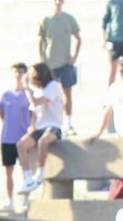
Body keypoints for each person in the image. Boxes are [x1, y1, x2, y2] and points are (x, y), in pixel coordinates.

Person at [17, 63, 66, 195]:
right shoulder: (37, 90)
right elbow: (33, 111)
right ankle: (28, 177)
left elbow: (37, 102)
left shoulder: (53, 86)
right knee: (21, 145)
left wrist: (26, 88)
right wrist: (31, 126)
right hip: (39, 126)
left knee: (42, 142)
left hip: (53, 126)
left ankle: (40, 173)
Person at [38, 0, 83, 134]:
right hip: (50, 66)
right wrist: (42, 61)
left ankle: (68, 124)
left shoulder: (69, 19)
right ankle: (48, 124)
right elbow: (40, 42)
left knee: (67, 94)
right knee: (48, 95)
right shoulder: (45, 20)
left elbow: (78, 38)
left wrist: (74, 57)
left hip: (65, 64)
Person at [0, 62, 33, 212]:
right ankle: (9, 201)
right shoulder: (6, 94)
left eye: (21, 72)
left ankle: (26, 201)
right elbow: (1, 113)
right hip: (7, 138)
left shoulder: (29, 94)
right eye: (16, 72)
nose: (18, 75)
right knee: (8, 171)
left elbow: (33, 113)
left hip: (24, 139)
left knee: (26, 170)